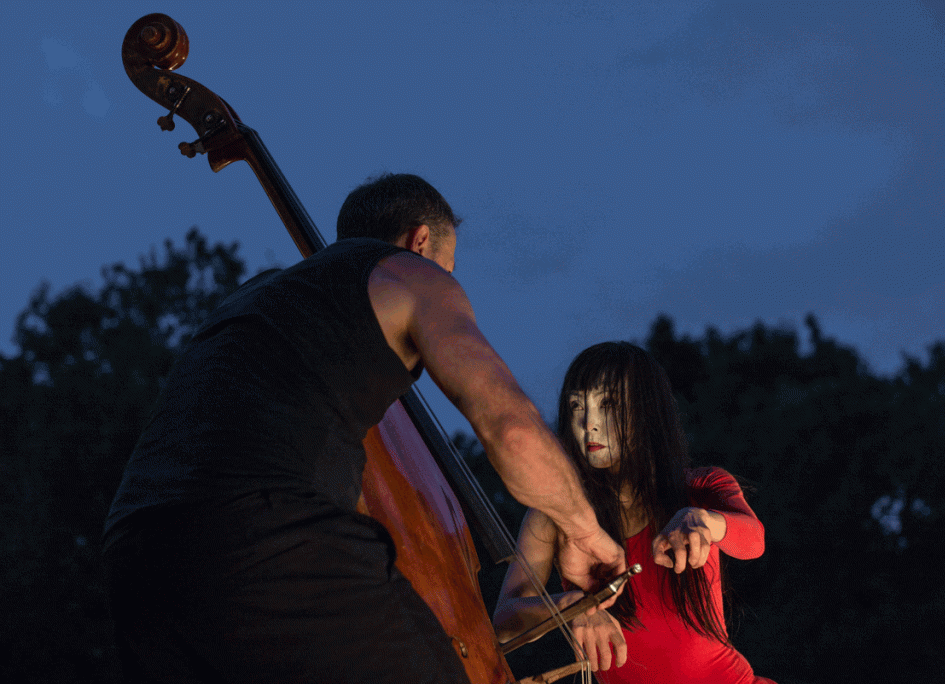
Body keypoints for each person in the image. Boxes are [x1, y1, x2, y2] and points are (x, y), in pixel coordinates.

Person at [103, 173, 625, 684]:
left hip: (135, 556)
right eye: (450, 264)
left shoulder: (254, 298)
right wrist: (584, 531)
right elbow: (511, 429)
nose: (447, 275)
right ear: (420, 240)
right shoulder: (408, 273)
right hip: (268, 539)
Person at [493, 341, 776, 684]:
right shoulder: (556, 515)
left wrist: (703, 520)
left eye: (608, 403)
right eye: (577, 405)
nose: (589, 423)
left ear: (646, 411)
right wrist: (571, 606)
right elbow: (504, 624)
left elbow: (755, 540)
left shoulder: (702, 486)